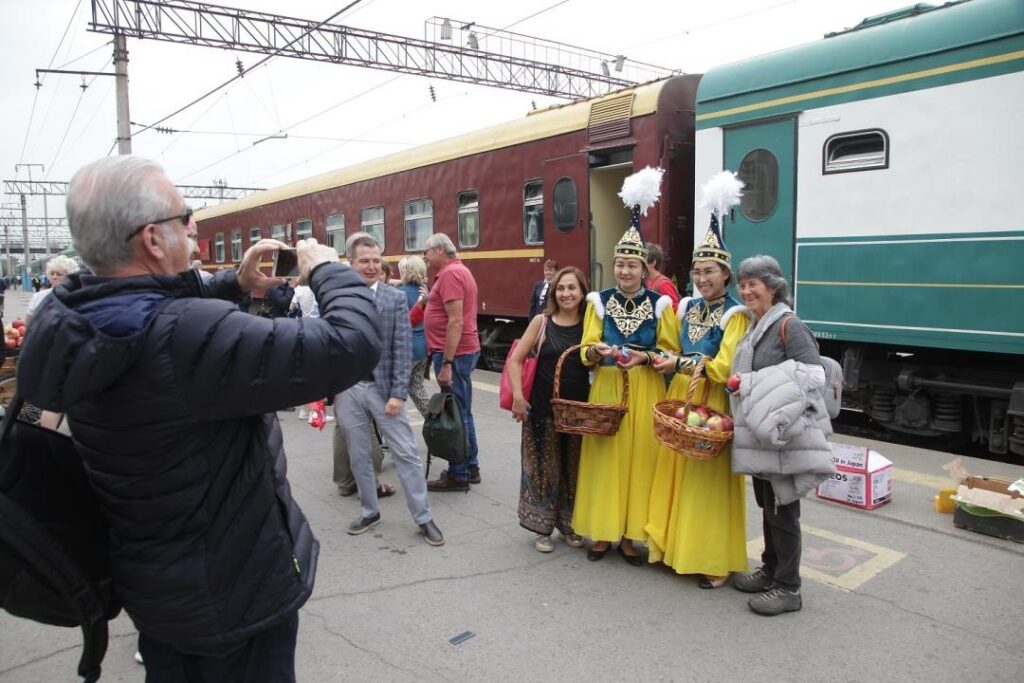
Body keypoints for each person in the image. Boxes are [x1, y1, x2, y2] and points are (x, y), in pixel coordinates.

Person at [16, 155, 382, 680]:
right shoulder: (182, 336)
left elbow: (146, 308)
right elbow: (350, 343)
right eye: (183, 220)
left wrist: (233, 282)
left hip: (161, 589)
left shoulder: (75, 316)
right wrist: (327, 268)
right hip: (233, 597)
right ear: (152, 240)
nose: (194, 235)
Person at [573, 168, 678, 565]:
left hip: (646, 388)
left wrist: (646, 357)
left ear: (644, 268)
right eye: (619, 264)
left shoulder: (662, 305)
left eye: (632, 265)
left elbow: (670, 356)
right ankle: (602, 533)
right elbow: (584, 349)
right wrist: (597, 353)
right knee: (606, 461)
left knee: (640, 462)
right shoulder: (597, 301)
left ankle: (632, 536)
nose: (624, 271)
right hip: (607, 388)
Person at [646, 216, 749, 588]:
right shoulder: (686, 307)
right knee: (679, 475)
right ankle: (677, 549)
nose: (701, 278)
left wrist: (679, 363)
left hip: (712, 403)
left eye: (709, 271)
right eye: (696, 271)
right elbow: (670, 345)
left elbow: (723, 367)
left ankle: (713, 558)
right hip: (682, 398)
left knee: (707, 482)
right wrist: (659, 358)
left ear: (725, 273)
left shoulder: (736, 315)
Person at [729, 254, 835, 616]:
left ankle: (789, 587)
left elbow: (814, 376)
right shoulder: (757, 325)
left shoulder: (789, 325)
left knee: (783, 508)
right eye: (742, 284)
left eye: (753, 284)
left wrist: (756, 386)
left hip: (784, 435)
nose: (746, 290)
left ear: (773, 288)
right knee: (767, 504)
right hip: (764, 435)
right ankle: (771, 568)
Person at [336, 233, 444, 546]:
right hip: (347, 389)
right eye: (363, 261)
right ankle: (370, 510)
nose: (370, 266)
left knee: (406, 454)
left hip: (383, 390)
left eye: (375, 260)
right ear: (351, 263)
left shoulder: (393, 298)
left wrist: (399, 393)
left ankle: (423, 517)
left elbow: (401, 347)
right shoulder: (338, 297)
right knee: (358, 455)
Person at [509, 266, 590, 552]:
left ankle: (569, 525)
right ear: (554, 292)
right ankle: (542, 527)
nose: (566, 293)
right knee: (543, 469)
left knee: (574, 469)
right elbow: (515, 361)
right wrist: (518, 396)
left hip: (580, 412)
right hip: (543, 410)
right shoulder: (542, 322)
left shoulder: (591, 322)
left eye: (572, 288)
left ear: (582, 291)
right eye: (561, 288)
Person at [422, 233, 482, 491]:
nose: (424, 256)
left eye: (427, 251)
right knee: (463, 410)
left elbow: (455, 320)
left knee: (456, 413)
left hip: (454, 354)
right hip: (460, 351)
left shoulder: (449, 275)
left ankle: (459, 473)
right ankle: (470, 465)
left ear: (439, 250)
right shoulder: (459, 271)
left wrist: (446, 362)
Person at [397, 255, 431, 418]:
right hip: (423, 347)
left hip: (405, 349)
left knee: (397, 390)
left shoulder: (399, 294)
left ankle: (394, 430)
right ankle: (433, 419)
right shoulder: (426, 293)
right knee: (416, 386)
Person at [25, 255, 79, 325]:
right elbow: (28, 323)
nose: (54, 277)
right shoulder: (38, 296)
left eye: (59, 274)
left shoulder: (77, 296)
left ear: (70, 277)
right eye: (52, 273)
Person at [645, 243, 680, 307]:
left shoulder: (664, 284)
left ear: (653, 262)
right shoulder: (646, 281)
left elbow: (675, 310)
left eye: (643, 262)